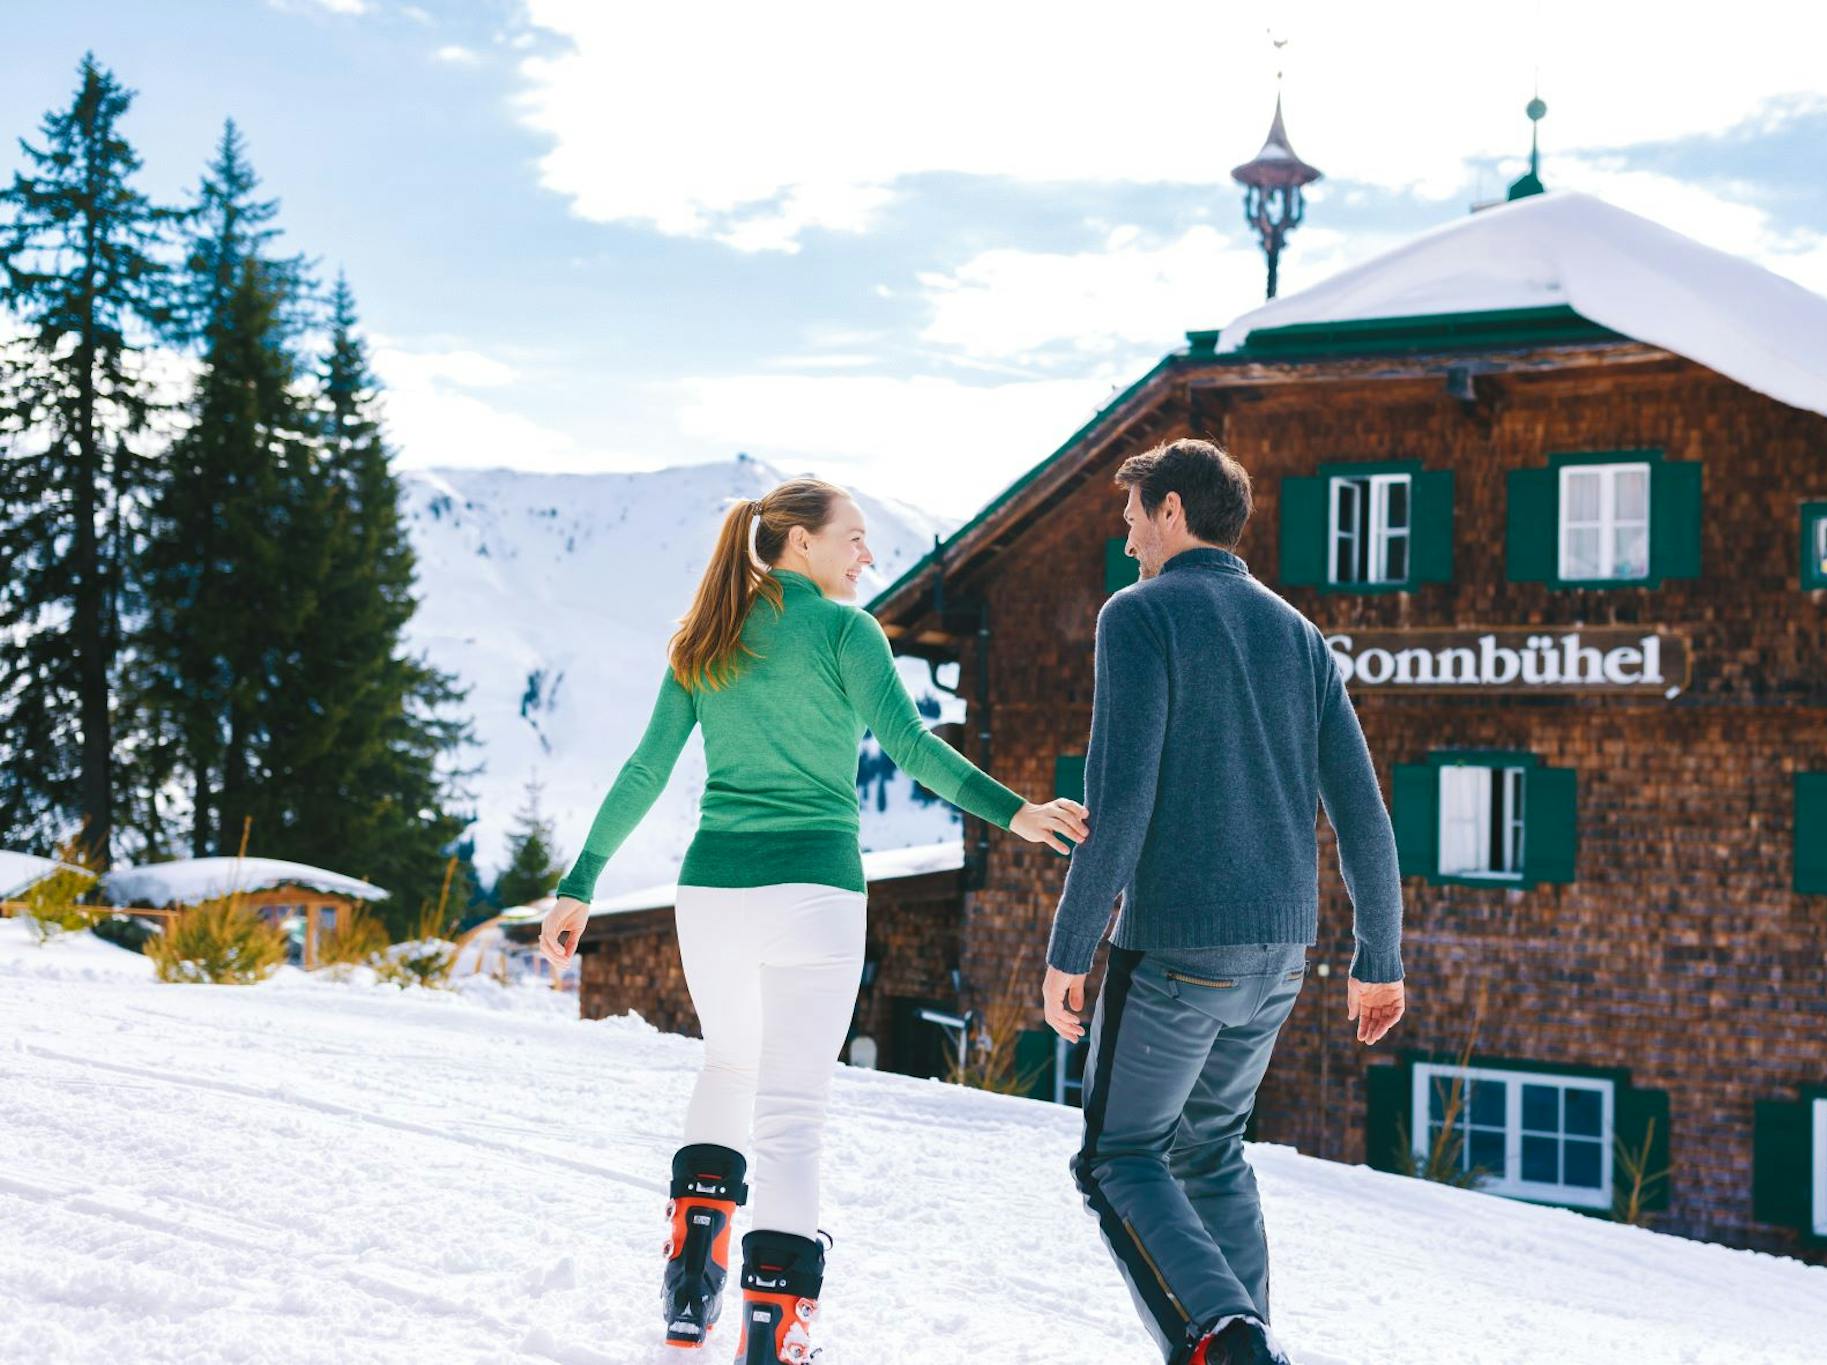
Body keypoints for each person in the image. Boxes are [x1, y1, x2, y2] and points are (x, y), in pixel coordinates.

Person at [537, 477, 1088, 1361]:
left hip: (712, 892)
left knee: (728, 1065)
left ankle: (691, 1283)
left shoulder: (707, 637)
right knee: (791, 1110)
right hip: (818, 895)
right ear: (800, 543)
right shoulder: (844, 631)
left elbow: (646, 769)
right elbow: (912, 748)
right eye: (855, 537)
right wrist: (1017, 812)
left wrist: (581, 883)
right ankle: (772, 1329)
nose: (868, 554)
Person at [1040, 439, 1406, 1365]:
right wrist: (1381, 961)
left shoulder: (1141, 617)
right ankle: (1253, 1345)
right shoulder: (1298, 634)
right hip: (1279, 959)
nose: (1127, 541)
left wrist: (1070, 946)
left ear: (1171, 510)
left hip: (1173, 955)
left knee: (1118, 1160)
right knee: (1209, 1153)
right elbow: (1363, 814)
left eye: (1132, 519)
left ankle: (1228, 1342)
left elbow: (1119, 804)